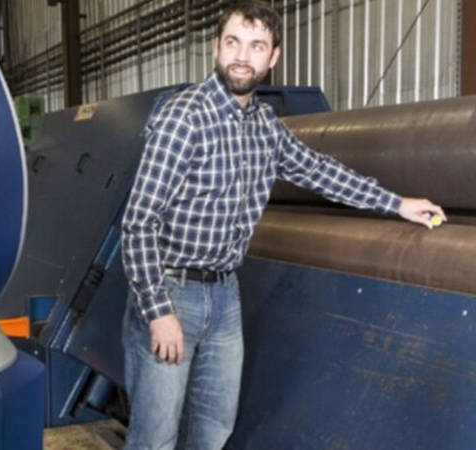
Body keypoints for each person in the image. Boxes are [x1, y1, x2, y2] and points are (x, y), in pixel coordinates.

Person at [120, 1, 446, 449]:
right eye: (233, 42)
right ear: (216, 47)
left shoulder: (264, 127)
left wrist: (397, 204)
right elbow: (138, 223)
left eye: (256, 47)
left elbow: (319, 171)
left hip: (225, 296)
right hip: (173, 293)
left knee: (214, 429)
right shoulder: (184, 117)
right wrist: (158, 313)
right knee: (155, 438)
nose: (242, 56)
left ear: (272, 58)